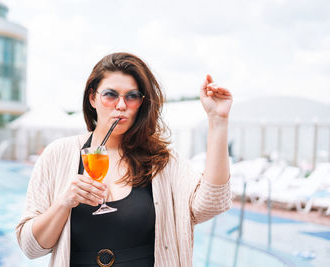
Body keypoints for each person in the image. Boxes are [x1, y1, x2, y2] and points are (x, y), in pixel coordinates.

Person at [16, 52, 233, 267]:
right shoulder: (57, 155)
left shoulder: (161, 161)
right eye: (110, 95)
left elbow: (211, 203)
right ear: (92, 98)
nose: (121, 105)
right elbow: (31, 247)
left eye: (132, 96)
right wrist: (63, 204)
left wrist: (217, 121)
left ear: (141, 103)